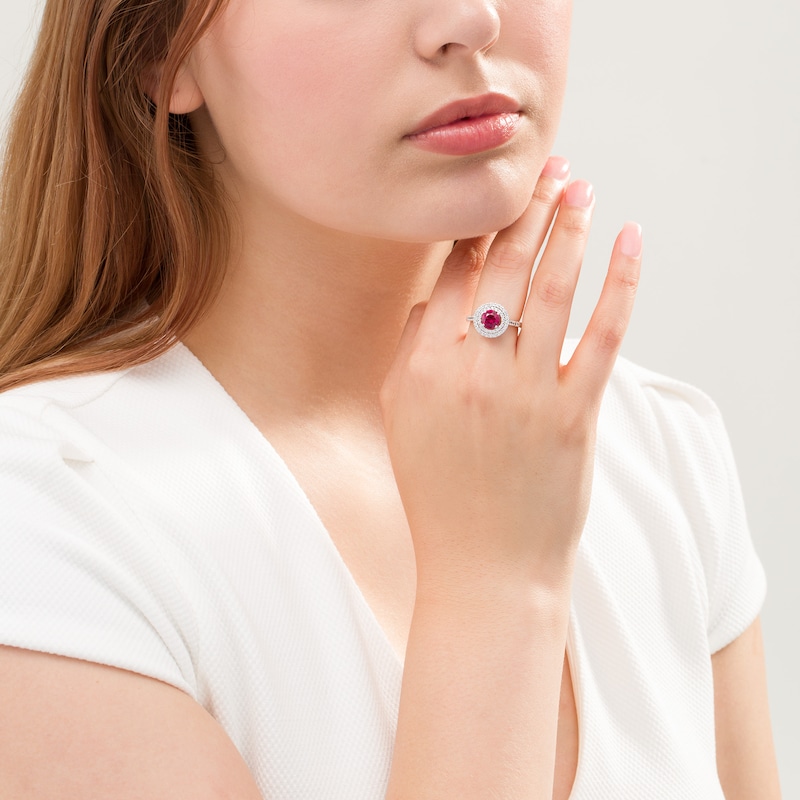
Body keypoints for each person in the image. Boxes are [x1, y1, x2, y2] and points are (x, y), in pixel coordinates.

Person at [0, 0, 782, 797]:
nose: (470, 20)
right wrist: (498, 586)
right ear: (161, 50)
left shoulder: (662, 449)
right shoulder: (47, 536)